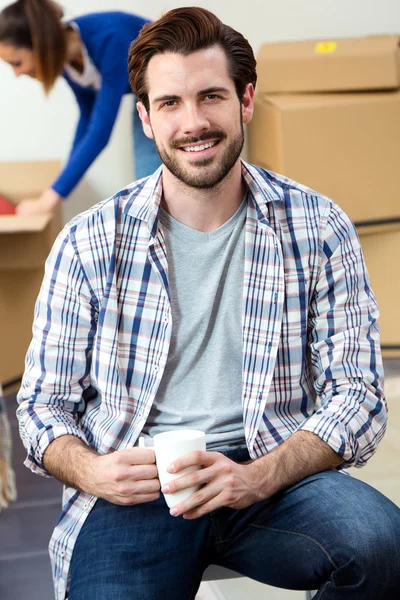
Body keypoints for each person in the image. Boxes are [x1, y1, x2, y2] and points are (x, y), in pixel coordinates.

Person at [17, 6, 400, 600]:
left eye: (211, 96)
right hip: (137, 488)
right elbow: (42, 407)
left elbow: (358, 395)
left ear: (246, 100)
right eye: (170, 103)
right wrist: (95, 472)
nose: (193, 121)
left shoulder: (319, 226)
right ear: (145, 118)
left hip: (269, 470)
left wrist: (259, 476)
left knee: (383, 546)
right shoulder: (90, 240)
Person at [0, 0, 160, 215]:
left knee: (152, 180)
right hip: (147, 95)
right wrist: (59, 185)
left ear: (41, 45)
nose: (17, 74)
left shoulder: (110, 38)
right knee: (148, 184)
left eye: (17, 63)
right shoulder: (67, 62)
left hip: (170, 90)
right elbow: (87, 119)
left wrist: (49, 199)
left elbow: (100, 132)